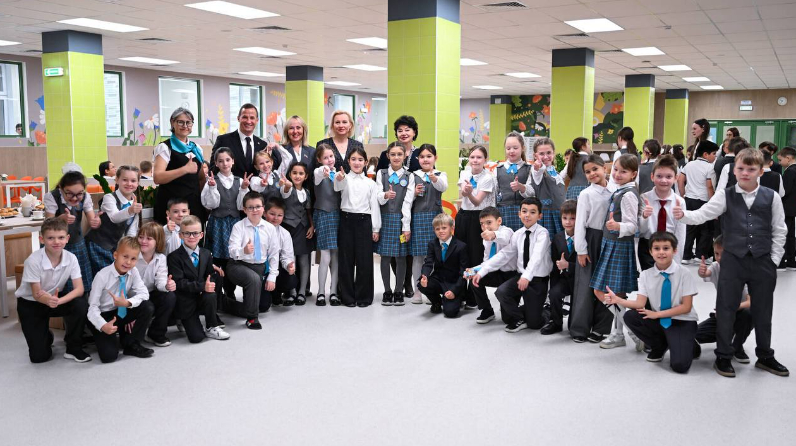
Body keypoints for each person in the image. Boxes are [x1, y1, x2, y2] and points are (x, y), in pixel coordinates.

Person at [674, 148, 789, 377]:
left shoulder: (772, 197)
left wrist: (774, 260)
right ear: (733, 170)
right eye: (741, 168)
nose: (745, 173)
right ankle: (723, 356)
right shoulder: (725, 195)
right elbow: (704, 213)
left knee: (762, 310)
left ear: (761, 171)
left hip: (762, 261)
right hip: (732, 261)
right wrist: (684, 215)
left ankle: (765, 355)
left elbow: (779, 229)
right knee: (725, 310)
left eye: (751, 169)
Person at [608, 231, 699, 373]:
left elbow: (686, 307)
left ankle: (690, 343)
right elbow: (640, 304)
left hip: (682, 320)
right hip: (661, 321)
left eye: (666, 248)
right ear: (651, 252)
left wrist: (657, 314)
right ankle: (660, 345)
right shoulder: (646, 275)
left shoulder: (684, 273)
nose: (661, 252)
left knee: (680, 366)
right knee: (631, 316)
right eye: (657, 248)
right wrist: (617, 300)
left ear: (674, 250)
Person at [472, 197, 552, 332]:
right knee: (502, 297)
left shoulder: (542, 233)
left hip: (537, 279)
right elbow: (504, 254)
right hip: (520, 277)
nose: (527, 215)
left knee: (534, 323)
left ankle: (547, 310)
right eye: (524, 211)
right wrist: (482, 270)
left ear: (540, 216)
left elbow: (536, 257)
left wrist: (527, 276)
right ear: (519, 214)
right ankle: (520, 317)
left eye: (532, 212)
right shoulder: (518, 234)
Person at [15, 218, 89, 363]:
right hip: (31, 303)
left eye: (61, 237)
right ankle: (46, 335)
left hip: (55, 298)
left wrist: (58, 301)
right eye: (50, 238)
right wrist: (48, 300)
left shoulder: (71, 258)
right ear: (41, 239)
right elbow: (36, 293)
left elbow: (79, 289)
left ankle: (73, 347)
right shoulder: (33, 260)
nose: (56, 242)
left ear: (67, 238)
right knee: (39, 357)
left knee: (80, 304)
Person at [590, 154, 642, 349]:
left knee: (602, 291)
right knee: (616, 293)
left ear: (633, 174)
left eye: (623, 171)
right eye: (616, 170)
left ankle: (630, 330)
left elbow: (633, 226)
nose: (617, 174)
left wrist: (617, 226)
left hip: (619, 246)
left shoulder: (628, 194)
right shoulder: (621, 190)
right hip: (611, 244)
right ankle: (620, 333)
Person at [87, 237, 155, 363]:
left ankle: (132, 344)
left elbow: (144, 294)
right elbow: (92, 308)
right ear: (115, 255)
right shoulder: (102, 276)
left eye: (133, 259)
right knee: (109, 357)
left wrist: (128, 303)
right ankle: (102, 336)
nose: (128, 262)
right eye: (125, 257)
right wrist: (102, 325)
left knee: (147, 306)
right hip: (103, 316)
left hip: (120, 310)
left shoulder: (133, 271)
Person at [570, 154, 614, 343]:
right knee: (585, 285)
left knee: (607, 284)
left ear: (604, 167)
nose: (592, 174)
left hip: (611, 240)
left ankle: (602, 328)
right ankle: (580, 328)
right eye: (588, 172)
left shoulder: (615, 190)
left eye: (595, 169)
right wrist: (581, 250)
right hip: (591, 239)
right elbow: (580, 223)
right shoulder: (586, 194)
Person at [167, 215, 230, 342]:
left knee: (211, 292)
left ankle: (212, 326)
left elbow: (210, 275)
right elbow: (179, 283)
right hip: (186, 301)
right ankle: (183, 319)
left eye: (195, 233)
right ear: (180, 235)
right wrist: (202, 286)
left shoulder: (206, 253)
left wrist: (207, 286)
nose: (191, 237)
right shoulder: (174, 257)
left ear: (201, 235)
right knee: (196, 338)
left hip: (203, 297)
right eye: (187, 233)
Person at [334, 146, 381, 307]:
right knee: (345, 260)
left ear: (366, 162)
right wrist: (339, 178)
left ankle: (364, 296)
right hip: (346, 220)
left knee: (364, 260)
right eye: (353, 159)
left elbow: (374, 206)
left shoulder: (371, 183)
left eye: (360, 160)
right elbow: (337, 187)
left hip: (364, 221)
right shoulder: (343, 178)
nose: (357, 162)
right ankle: (347, 296)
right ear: (348, 161)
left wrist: (376, 228)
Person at [695, 235, 754, 363]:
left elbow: (751, 302)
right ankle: (725, 336)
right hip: (723, 315)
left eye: (724, 254)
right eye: (716, 254)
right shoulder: (716, 266)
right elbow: (706, 274)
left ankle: (737, 346)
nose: (719, 258)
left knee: (750, 314)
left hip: (740, 313)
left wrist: (732, 307)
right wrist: (702, 272)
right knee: (693, 335)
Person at [226, 192, 279, 329]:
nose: (254, 210)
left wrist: (272, 276)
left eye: (257, 206)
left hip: (259, 267)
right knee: (254, 280)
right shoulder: (238, 226)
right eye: (250, 207)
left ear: (263, 208)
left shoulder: (270, 228)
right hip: (237, 265)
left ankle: (224, 303)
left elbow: (274, 254)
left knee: (263, 306)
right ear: (244, 210)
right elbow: (232, 251)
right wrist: (243, 251)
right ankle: (252, 318)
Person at [44, 170, 101, 294]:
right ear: (61, 188)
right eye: (69, 194)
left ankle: (80, 302)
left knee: (81, 280)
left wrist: (96, 222)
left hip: (76, 243)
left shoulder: (85, 197)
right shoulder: (52, 196)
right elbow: (47, 223)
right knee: (57, 281)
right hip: (55, 245)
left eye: (79, 194)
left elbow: (92, 220)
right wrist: (60, 219)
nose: (75, 198)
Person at [201, 147, 247, 299]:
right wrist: (212, 187)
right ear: (216, 163)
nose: (225, 163)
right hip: (217, 224)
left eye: (227, 160)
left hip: (234, 224)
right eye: (220, 161)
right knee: (216, 258)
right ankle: (216, 291)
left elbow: (241, 206)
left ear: (233, 161)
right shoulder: (211, 181)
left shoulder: (240, 181)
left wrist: (243, 189)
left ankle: (230, 291)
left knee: (231, 258)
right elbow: (210, 205)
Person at [455, 145, 494, 310]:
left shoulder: (488, 177)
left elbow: (477, 201)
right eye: (472, 157)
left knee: (475, 256)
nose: (475, 160)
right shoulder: (465, 173)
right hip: (463, 216)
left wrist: (469, 192)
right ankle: (459, 293)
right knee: (460, 254)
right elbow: (463, 195)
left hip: (478, 218)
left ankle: (473, 296)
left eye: (479, 157)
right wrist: (465, 192)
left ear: (485, 160)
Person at [375, 142, 415, 306]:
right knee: (385, 257)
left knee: (401, 257)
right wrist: (385, 195)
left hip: (400, 221)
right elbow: (377, 197)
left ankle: (399, 291)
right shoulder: (381, 173)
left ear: (405, 155)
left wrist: (406, 226)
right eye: (393, 154)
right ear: (388, 156)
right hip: (385, 221)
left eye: (399, 154)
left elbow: (408, 202)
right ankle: (387, 291)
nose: (396, 157)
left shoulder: (409, 176)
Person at [85, 165, 142, 276]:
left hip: (115, 249)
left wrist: (129, 247)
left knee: (115, 277)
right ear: (117, 180)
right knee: (103, 277)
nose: (129, 183)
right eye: (124, 180)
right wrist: (130, 210)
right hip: (98, 245)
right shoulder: (109, 198)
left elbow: (132, 229)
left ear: (137, 183)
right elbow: (114, 217)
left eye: (133, 181)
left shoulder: (135, 202)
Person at [153, 108, 206, 225]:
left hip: (193, 205)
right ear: (172, 123)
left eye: (188, 122)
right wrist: (184, 169)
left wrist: (203, 200)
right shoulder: (165, 147)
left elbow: (201, 178)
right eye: (180, 122)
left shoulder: (196, 148)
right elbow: (157, 177)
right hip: (172, 206)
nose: (185, 126)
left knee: (194, 235)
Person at [409, 144, 448, 304]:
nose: (425, 159)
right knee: (418, 256)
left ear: (435, 158)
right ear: (418, 159)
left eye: (429, 156)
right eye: (422, 157)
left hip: (436, 219)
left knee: (436, 256)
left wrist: (434, 178)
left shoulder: (441, 174)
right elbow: (407, 198)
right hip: (418, 218)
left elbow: (443, 187)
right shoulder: (413, 176)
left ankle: (433, 291)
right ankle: (418, 291)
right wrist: (414, 193)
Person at [466, 206, 517, 324]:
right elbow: (487, 262)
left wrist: (493, 235)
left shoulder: (507, 231)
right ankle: (487, 310)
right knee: (474, 279)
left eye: (489, 222)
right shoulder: (486, 239)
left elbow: (504, 238)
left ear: (499, 221)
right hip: (495, 272)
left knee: (508, 319)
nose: (485, 227)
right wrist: (473, 270)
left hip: (511, 275)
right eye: (482, 224)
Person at [639, 155, 687, 270]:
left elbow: (681, 233)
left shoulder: (679, 202)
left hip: (669, 245)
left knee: (668, 277)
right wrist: (645, 217)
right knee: (650, 277)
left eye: (669, 176)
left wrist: (677, 261)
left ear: (675, 178)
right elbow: (640, 231)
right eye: (659, 176)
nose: (664, 180)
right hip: (648, 245)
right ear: (652, 177)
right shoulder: (644, 198)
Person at [212, 103, 281, 179]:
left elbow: (266, 170)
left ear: (257, 120)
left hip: (257, 186)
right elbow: (213, 169)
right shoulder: (223, 140)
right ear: (238, 118)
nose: (248, 121)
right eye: (245, 117)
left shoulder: (262, 144)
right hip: (230, 186)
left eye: (252, 118)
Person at [418, 213, 468, 318]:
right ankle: (436, 302)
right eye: (437, 229)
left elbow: (463, 272)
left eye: (444, 228)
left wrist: (454, 291)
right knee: (422, 285)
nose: (441, 231)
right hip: (439, 279)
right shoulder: (432, 244)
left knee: (450, 313)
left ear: (452, 228)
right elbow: (428, 263)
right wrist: (424, 276)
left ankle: (455, 299)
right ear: (434, 230)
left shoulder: (461, 246)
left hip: (454, 282)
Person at [135, 222, 177, 348]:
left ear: (157, 241)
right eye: (141, 237)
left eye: (149, 238)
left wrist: (167, 285)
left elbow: (160, 282)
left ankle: (156, 333)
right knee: (147, 306)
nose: (143, 241)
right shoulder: (133, 256)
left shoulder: (161, 258)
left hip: (150, 294)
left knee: (169, 296)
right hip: (132, 297)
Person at [279, 162, 315, 306]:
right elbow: (285, 191)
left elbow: (308, 211)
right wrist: (287, 185)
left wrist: (312, 226)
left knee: (304, 261)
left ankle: (301, 292)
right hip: (288, 228)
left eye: (301, 173)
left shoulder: (307, 192)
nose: (297, 176)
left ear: (306, 176)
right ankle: (291, 291)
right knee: (290, 260)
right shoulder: (287, 188)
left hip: (304, 228)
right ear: (289, 174)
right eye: (294, 173)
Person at [677, 141, 718, 263]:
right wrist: (713, 204)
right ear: (705, 154)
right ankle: (700, 255)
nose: (715, 156)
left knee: (690, 228)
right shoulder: (710, 167)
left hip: (689, 200)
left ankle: (686, 255)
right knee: (706, 230)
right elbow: (709, 186)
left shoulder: (689, 165)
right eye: (714, 154)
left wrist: (682, 194)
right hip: (704, 200)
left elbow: (680, 180)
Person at [541, 200, 578, 335]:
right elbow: (555, 266)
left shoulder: (583, 237)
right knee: (554, 293)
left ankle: (575, 324)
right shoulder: (558, 237)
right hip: (565, 279)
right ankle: (556, 323)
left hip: (580, 280)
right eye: (565, 218)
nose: (568, 222)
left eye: (572, 218)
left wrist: (568, 265)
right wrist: (553, 286)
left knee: (578, 301)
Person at [312, 144, 342, 306]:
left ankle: (334, 291)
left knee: (336, 256)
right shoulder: (318, 173)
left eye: (331, 156)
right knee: (325, 257)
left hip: (338, 216)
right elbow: (318, 174)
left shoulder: (338, 174)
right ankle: (321, 292)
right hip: (323, 215)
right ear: (319, 159)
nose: (329, 160)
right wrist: (324, 170)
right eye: (325, 157)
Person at [263, 198, 298, 310]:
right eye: (272, 214)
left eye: (279, 215)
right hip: (260, 268)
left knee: (291, 279)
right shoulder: (258, 229)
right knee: (263, 306)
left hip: (275, 268)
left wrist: (289, 266)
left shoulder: (285, 234)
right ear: (264, 213)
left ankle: (276, 292)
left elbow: (286, 256)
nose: (275, 218)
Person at [494, 131, 533, 231]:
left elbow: (532, 192)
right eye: (508, 148)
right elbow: (494, 193)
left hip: (525, 213)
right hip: (503, 212)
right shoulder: (497, 169)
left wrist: (521, 187)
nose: (511, 151)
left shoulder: (529, 168)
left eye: (515, 148)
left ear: (523, 148)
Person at [527, 138, 565, 239]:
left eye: (549, 153)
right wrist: (537, 168)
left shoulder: (555, 171)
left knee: (560, 244)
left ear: (553, 153)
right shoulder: (538, 171)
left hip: (560, 214)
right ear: (535, 156)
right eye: (541, 154)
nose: (545, 157)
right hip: (547, 215)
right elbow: (538, 171)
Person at [780, 146, 796, 270]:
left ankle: (782, 261)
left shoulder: (790, 171)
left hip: (786, 207)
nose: (780, 163)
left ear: (788, 158)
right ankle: (791, 260)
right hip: (793, 208)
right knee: (791, 235)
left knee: (783, 234)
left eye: (781, 160)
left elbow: (785, 190)